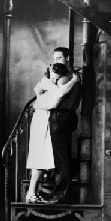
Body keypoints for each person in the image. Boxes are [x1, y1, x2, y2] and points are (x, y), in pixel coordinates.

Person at [25, 63, 78, 203]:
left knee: (43, 157)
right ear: (48, 73)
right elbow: (59, 94)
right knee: (38, 157)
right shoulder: (45, 81)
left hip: (46, 119)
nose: (54, 81)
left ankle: (32, 192)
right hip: (40, 120)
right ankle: (30, 192)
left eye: (57, 79)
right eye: (52, 77)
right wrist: (73, 81)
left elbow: (55, 98)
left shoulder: (54, 83)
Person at [35, 47, 82, 204]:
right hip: (63, 117)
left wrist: (44, 90)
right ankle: (57, 190)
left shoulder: (65, 78)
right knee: (58, 155)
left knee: (60, 157)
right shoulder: (72, 76)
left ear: (67, 59)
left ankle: (59, 194)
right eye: (54, 59)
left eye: (59, 59)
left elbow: (54, 98)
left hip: (60, 117)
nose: (56, 62)